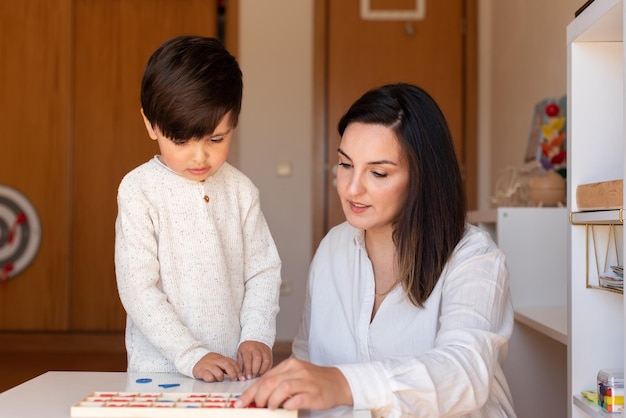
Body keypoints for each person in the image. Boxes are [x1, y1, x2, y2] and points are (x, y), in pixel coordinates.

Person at [236, 83, 516, 417]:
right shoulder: (332, 249)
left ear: (422, 177)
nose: (352, 188)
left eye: (378, 172)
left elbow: (464, 373)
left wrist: (343, 383)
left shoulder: (474, 258)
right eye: (345, 165)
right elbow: (308, 359)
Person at [114, 35, 282, 383]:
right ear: (150, 124)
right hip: (159, 371)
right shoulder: (139, 190)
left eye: (216, 139)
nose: (200, 156)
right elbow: (138, 289)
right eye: (181, 140)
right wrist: (191, 355)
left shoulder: (240, 190)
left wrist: (257, 334)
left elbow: (263, 271)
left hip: (233, 372)